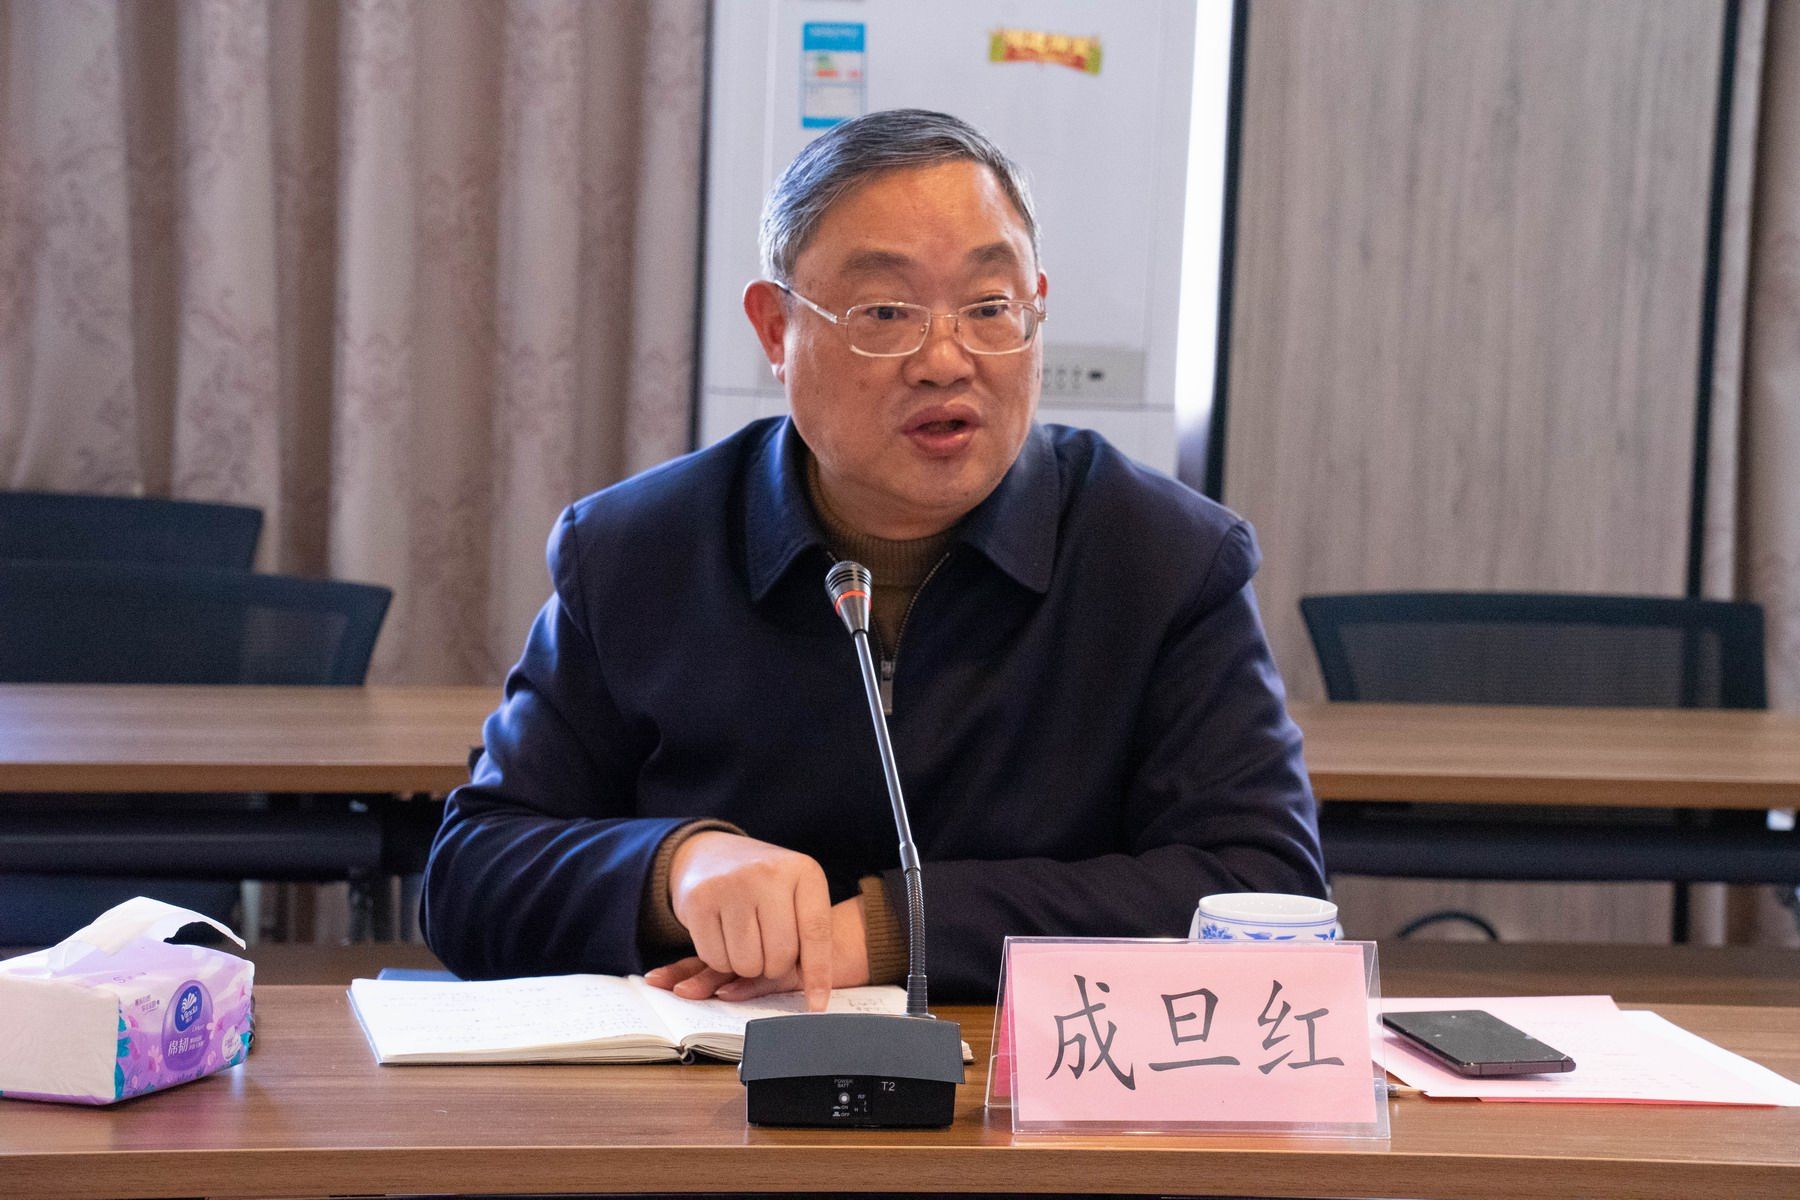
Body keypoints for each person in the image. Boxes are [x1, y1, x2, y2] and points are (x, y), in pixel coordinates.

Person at [422, 109, 1326, 1005]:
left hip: (1015, 1085)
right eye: (886, 312)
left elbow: (1262, 887)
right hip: (709, 1081)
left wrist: (892, 929)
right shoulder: (634, 551)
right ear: (775, 329)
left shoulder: (1164, 560)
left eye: (990, 308)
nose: (946, 360)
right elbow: (471, 873)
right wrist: (673, 869)